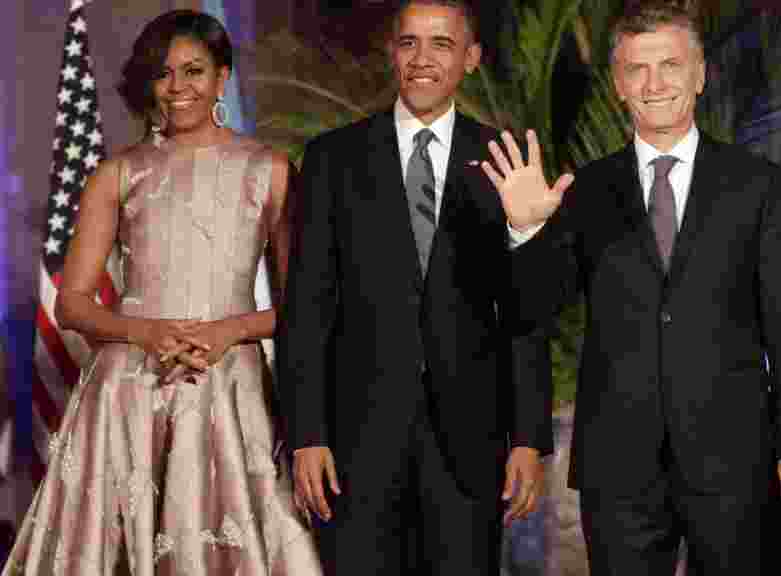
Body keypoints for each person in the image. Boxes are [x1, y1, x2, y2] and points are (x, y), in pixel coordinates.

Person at [483, 1, 781, 574]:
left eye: (671, 66)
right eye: (637, 69)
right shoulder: (584, 190)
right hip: (619, 464)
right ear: (618, 85)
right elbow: (531, 309)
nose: (655, 83)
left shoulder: (755, 184)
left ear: (700, 75)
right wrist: (527, 228)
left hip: (734, 458)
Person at [2, 10, 321, 575]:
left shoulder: (269, 170)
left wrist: (231, 331)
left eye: (194, 71)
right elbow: (73, 303)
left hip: (228, 386)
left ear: (223, 77)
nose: (178, 88)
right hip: (129, 387)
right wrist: (145, 332)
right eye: (164, 73)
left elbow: (306, 303)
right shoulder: (118, 174)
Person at [276, 0, 553, 574]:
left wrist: (527, 437)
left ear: (472, 59)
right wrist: (306, 434)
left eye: (442, 44)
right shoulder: (333, 159)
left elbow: (524, 316)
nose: (422, 59)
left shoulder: (506, 159)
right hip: (356, 442)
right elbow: (306, 309)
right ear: (391, 53)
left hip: (471, 445)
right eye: (409, 43)